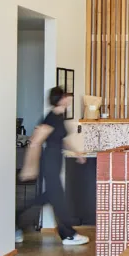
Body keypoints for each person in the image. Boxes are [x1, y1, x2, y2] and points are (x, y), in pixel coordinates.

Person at [17, 87, 90, 247]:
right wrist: (30, 167)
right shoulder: (50, 118)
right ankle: (68, 235)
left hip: (55, 161)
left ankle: (15, 225)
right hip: (49, 162)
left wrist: (77, 152)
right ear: (60, 98)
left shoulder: (59, 116)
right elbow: (35, 141)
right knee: (59, 199)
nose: (69, 98)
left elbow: (59, 139)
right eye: (66, 95)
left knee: (46, 198)